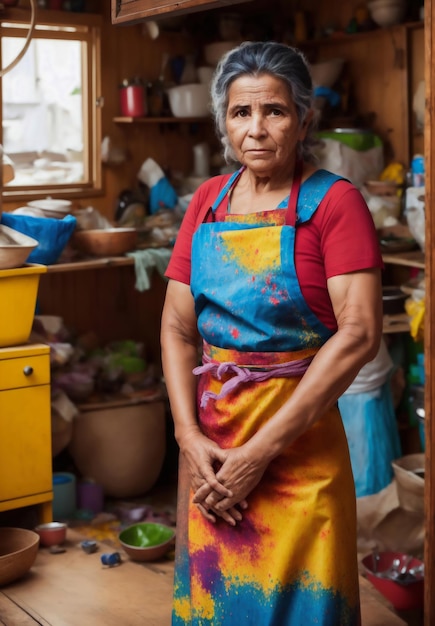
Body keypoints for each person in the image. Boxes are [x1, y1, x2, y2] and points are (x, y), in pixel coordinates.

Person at [161, 41, 383, 626]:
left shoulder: (336, 204)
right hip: (213, 461)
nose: (256, 130)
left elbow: (359, 333)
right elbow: (179, 327)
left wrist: (258, 454)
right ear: (223, 123)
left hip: (300, 460)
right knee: (219, 609)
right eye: (241, 113)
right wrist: (188, 438)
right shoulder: (206, 203)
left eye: (274, 111)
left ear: (304, 118)